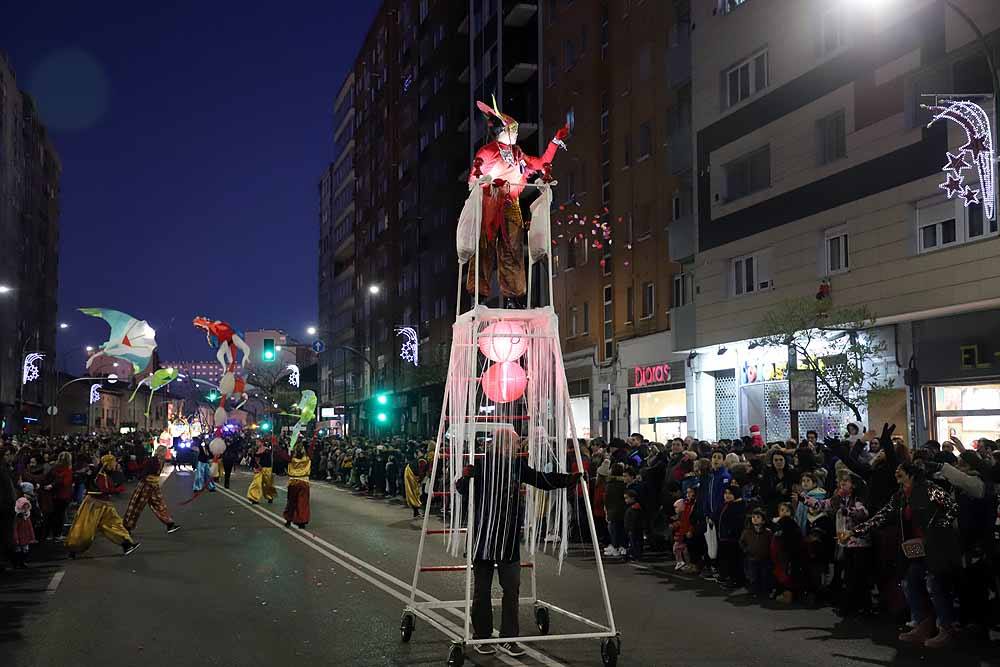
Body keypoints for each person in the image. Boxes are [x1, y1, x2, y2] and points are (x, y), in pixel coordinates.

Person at [455, 428, 581, 657]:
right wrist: (466, 476)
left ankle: (509, 637)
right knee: (482, 591)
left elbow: (540, 479)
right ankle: (482, 636)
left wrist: (568, 480)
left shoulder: (516, 466)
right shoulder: (481, 464)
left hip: (508, 538)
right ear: (502, 444)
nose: (516, 447)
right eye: (513, 443)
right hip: (483, 536)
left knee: (511, 588)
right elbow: (462, 489)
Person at [65, 456, 140, 557]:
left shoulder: (101, 473)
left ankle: (127, 544)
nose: (115, 464)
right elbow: (103, 490)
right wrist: (117, 489)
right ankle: (73, 549)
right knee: (85, 529)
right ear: (108, 464)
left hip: (102, 505)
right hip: (94, 505)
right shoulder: (100, 475)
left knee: (114, 524)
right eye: (113, 462)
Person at [123, 446, 179, 535]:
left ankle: (170, 524)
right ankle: (127, 527)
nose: (165, 454)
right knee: (136, 506)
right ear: (160, 452)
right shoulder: (152, 461)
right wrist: (144, 478)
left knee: (160, 505)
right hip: (145, 486)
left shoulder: (161, 461)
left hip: (154, 486)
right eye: (164, 452)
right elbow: (143, 472)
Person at [740, 507, 773, 598]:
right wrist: (746, 550)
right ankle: (754, 591)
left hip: (765, 559)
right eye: (753, 516)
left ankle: (765, 591)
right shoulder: (747, 532)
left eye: (758, 517)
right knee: (753, 575)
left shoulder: (768, 532)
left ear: (763, 520)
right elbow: (742, 542)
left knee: (764, 575)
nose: (754, 518)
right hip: (751, 558)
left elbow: (771, 544)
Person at [284, 443, 311, 528]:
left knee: (291, 502)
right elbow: (311, 448)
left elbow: (281, 454)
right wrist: (315, 435)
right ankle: (301, 522)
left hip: (293, 482)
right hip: (304, 482)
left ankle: (289, 520)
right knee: (303, 503)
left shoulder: (291, 459)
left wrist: (275, 445)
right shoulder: (307, 458)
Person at [13, 494, 35, 568]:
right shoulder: (18, 517)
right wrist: (16, 538)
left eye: (27, 506)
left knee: (25, 550)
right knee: (18, 550)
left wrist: (32, 537)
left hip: (25, 536)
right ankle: (17, 563)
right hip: (19, 537)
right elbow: (15, 528)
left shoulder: (27, 515)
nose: (26, 508)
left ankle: (22, 562)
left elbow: (30, 527)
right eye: (24, 506)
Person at [404, 452, 426, 518]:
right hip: (414, 476)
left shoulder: (422, 460)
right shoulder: (423, 460)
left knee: (417, 493)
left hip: (413, 475)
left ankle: (418, 511)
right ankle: (419, 511)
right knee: (417, 493)